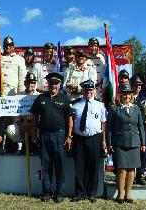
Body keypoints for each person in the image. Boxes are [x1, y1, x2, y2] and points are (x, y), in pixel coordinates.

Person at [30, 72, 73, 203]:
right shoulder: (40, 98)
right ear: (47, 84)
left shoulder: (64, 98)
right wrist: (34, 134)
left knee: (59, 166)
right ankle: (46, 192)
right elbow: (34, 118)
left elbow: (70, 118)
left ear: (60, 85)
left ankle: (59, 193)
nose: (53, 86)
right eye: (51, 83)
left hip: (59, 136)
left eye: (56, 83)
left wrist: (69, 135)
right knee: (45, 166)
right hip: (43, 135)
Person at [106, 84, 145, 204]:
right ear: (120, 95)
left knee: (131, 169)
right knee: (121, 169)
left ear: (131, 95)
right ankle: (120, 194)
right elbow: (109, 128)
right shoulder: (114, 109)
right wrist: (109, 143)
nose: (126, 96)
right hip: (119, 143)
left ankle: (128, 194)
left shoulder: (136, 108)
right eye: (124, 94)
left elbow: (141, 127)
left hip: (134, 142)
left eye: (129, 94)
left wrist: (143, 143)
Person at [71, 80, 106, 203]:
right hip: (79, 139)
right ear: (82, 91)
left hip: (94, 139)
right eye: (86, 90)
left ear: (94, 91)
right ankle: (80, 193)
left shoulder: (100, 105)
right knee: (79, 166)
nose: (88, 92)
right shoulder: (75, 104)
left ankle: (92, 193)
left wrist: (104, 140)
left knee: (93, 166)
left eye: (91, 90)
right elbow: (70, 121)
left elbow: (103, 123)